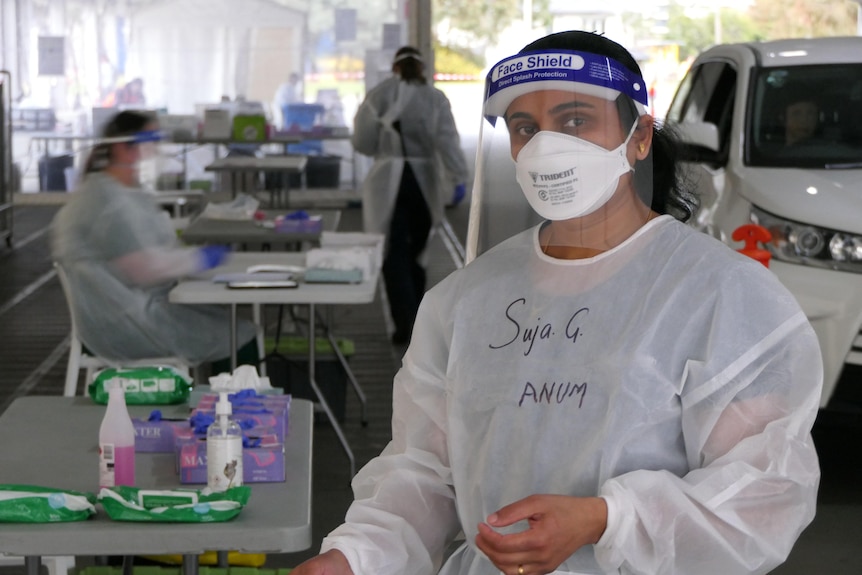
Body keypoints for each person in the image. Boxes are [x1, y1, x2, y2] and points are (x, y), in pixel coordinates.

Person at [290, 30, 822, 575]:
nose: (547, 146)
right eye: (526, 128)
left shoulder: (720, 294)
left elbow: (768, 490)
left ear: (638, 137)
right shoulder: (466, 300)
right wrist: (354, 556)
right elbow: (425, 472)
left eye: (574, 121)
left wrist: (607, 519)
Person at [51, 110, 258, 368]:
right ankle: (238, 404)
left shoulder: (112, 192)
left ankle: (217, 399)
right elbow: (144, 268)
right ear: (124, 148)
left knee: (222, 321)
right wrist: (199, 258)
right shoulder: (106, 202)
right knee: (238, 334)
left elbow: (142, 243)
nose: (154, 151)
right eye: (150, 142)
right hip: (129, 323)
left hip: (127, 310)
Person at [352, 46, 470, 344]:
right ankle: (419, 318)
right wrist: (458, 178)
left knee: (393, 254)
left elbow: (363, 142)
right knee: (419, 253)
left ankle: (402, 322)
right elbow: (447, 141)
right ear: (422, 68)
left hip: (386, 184)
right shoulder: (434, 98)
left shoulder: (378, 96)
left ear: (394, 67)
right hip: (423, 183)